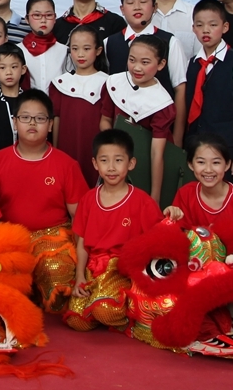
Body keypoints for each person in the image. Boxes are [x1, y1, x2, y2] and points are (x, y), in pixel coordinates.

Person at [0, 89, 87, 311]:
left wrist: (83, 268)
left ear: (50, 125)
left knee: (56, 274)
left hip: (53, 238)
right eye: (25, 117)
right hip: (11, 238)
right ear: (15, 122)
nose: (32, 123)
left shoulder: (66, 164)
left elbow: (80, 217)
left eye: (40, 118)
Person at [65, 129, 164, 332]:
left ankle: (130, 312)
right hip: (93, 270)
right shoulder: (89, 199)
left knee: (104, 311)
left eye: (118, 160)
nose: (111, 167)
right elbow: (82, 242)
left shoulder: (142, 201)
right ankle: (100, 302)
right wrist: (80, 276)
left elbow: (156, 245)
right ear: (95, 164)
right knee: (76, 321)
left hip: (122, 272)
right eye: (104, 160)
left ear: (131, 163)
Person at [104, 0, 187, 144]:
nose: (137, 7)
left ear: (154, 7)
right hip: (119, 137)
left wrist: (177, 140)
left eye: (143, 2)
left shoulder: (170, 42)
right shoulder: (109, 43)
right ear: (122, 9)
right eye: (130, 2)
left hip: (159, 135)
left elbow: (180, 90)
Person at [184, 0, 233, 178]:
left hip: (227, 147)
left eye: (213, 25)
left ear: (225, 27)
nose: (206, 30)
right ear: (193, 28)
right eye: (200, 25)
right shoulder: (192, 63)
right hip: (196, 146)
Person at [100, 36, 176, 202]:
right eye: (132, 60)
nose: (137, 67)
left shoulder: (161, 102)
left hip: (145, 165)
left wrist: (155, 196)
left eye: (145, 62)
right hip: (115, 161)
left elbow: (157, 153)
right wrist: (113, 151)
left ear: (161, 64)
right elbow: (105, 120)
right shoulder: (114, 83)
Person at [164, 133, 233, 254]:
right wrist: (171, 218)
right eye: (201, 162)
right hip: (196, 260)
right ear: (191, 164)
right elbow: (176, 236)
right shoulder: (185, 194)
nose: (208, 170)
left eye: (216, 163)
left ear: (227, 165)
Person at [49, 24, 109, 187]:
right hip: (67, 146)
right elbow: (56, 120)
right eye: (75, 49)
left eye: (86, 48)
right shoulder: (60, 83)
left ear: (98, 50)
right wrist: (55, 152)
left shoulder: (107, 83)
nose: (80, 54)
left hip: (94, 147)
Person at [21, 0, 68, 89]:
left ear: (55, 18)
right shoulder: (18, 51)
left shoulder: (65, 51)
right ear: (27, 19)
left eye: (49, 15)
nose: (43, 20)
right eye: (37, 15)